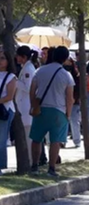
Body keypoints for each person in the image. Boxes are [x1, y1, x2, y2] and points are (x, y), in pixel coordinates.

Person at [29, 46, 75, 177]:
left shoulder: (39, 71)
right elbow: (70, 98)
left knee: (36, 139)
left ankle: (34, 166)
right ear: (65, 58)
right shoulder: (66, 75)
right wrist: (68, 114)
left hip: (41, 109)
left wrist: (33, 106)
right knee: (56, 141)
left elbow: (32, 91)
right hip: (59, 110)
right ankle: (51, 168)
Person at [15, 46, 37, 161]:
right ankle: (29, 160)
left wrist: (15, 81)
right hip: (23, 105)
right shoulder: (25, 67)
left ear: (23, 57)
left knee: (29, 137)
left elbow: (28, 87)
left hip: (26, 105)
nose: (16, 58)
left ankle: (31, 161)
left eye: (18, 56)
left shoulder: (28, 69)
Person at [64, 56, 82, 148]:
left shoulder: (76, 75)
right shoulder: (62, 73)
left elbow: (78, 88)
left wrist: (76, 97)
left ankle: (77, 140)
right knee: (64, 122)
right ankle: (62, 141)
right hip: (63, 101)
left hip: (74, 101)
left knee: (74, 121)